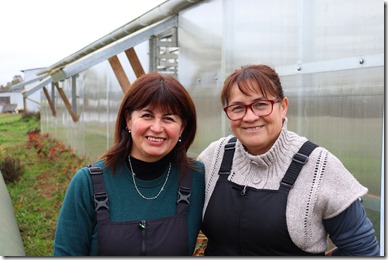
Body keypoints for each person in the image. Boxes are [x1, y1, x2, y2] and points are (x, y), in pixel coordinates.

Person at [197, 64, 380, 256]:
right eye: (238, 108)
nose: (250, 117)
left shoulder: (320, 167)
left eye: (261, 104)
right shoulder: (215, 156)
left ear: (283, 107)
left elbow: (363, 251)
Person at [53, 72, 205, 256]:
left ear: (182, 128)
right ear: (128, 120)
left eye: (169, 118)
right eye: (147, 115)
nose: (157, 128)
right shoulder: (88, 183)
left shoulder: (196, 177)